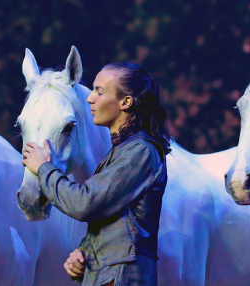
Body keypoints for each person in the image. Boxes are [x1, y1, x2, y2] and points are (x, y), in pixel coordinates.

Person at [21, 62, 171, 286]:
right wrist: (83, 254)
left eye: (99, 91)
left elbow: (87, 203)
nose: (90, 99)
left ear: (126, 102)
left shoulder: (140, 151)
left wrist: (44, 168)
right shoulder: (124, 151)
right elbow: (114, 223)